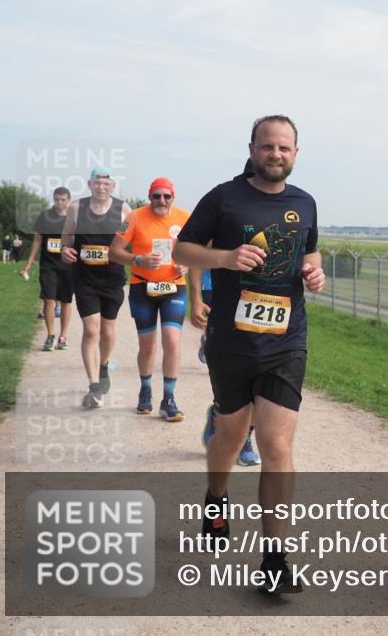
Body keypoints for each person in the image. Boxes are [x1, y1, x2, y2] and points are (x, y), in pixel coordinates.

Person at [174, 114, 324, 594]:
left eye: (284, 148)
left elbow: (312, 253)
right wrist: (225, 258)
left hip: (286, 340)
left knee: (278, 445)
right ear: (252, 148)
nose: (275, 155)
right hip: (231, 342)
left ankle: (275, 558)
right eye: (267, 147)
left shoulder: (306, 203)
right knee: (230, 436)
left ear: (295, 153)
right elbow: (182, 250)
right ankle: (215, 499)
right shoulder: (224, 197)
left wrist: (314, 273)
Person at [110, 178, 191, 421]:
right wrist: (138, 260)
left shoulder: (185, 218)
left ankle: (169, 398)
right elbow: (114, 252)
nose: (162, 201)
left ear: (173, 197)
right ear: (150, 197)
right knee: (148, 346)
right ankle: (145, 390)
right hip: (142, 287)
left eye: (167, 196)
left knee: (172, 341)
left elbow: (195, 251)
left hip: (174, 288)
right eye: (157, 196)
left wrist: (186, 265)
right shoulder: (135, 217)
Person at [61, 167, 132, 409]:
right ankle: (94, 387)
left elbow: (133, 239)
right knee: (91, 330)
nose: (101, 187)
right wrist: (65, 250)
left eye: (106, 183)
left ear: (113, 186)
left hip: (112, 279)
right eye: (97, 183)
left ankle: (104, 367)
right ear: (89, 184)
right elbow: (66, 238)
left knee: (108, 331)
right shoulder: (76, 208)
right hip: (84, 279)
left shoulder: (124, 209)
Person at [191, 264, 260, 466]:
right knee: (232, 370)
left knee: (259, 374)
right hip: (218, 289)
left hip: (259, 295)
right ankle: (220, 412)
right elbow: (197, 248)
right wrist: (195, 299)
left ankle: (245, 435)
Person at [20, 187, 75, 351]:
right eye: (57, 199)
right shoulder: (45, 216)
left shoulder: (74, 217)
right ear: (53, 199)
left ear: (68, 200)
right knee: (49, 299)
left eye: (63, 199)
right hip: (48, 265)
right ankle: (51, 336)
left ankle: (63, 336)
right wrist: (29, 262)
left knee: (66, 301)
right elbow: (37, 240)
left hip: (68, 266)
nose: (60, 202)